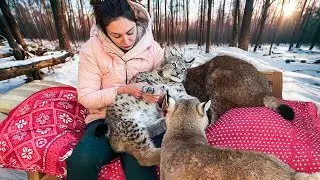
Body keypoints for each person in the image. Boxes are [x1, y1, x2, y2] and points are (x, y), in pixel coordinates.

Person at [66, 0, 164, 179]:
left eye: (130, 32)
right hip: (103, 119)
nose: (126, 41)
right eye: (116, 35)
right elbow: (86, 97)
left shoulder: (153, 49)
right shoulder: (91, 50)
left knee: (140, 167)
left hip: (143, 120)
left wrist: (159, 97)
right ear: (104, 31)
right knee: (81, 161)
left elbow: (168, 88)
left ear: (136, 22)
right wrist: (123, 90)